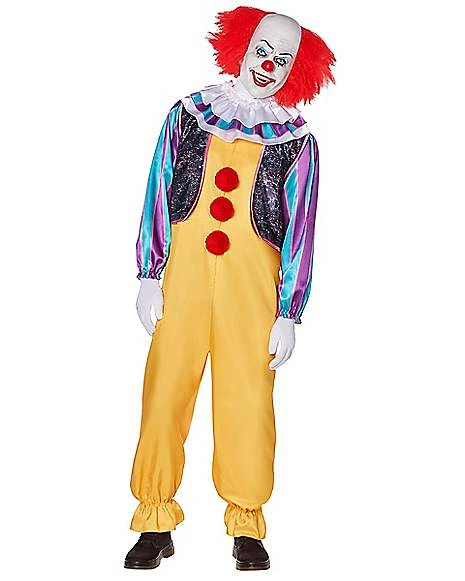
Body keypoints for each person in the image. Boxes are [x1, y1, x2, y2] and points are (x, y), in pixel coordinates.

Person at [124, 6, 335, 571]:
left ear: (296, 70)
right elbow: (157, 188)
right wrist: (149, 273)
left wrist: (289, 310)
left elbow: (302, 228)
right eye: (262, 50)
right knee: (165, 391)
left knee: (247, 400)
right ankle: (154, 519)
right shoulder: (189, 115)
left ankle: (246, 523)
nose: (268, 64)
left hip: (252, 289)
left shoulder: (296, 141)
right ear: (241, 47)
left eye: (283, 59)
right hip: (184, 278)